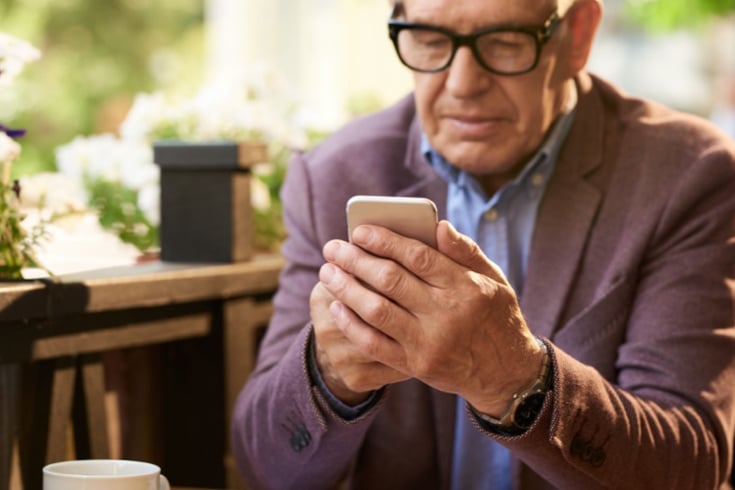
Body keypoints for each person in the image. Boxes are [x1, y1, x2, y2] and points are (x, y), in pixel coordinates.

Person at [232, 0, 735, 488]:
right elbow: (265, 469)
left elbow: (691, 468)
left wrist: (518, 378)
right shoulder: (332, 177)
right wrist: (328, 378)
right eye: (430, 41)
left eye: (505, 42)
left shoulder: (686, 175)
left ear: (577, 34)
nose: (463, 84)